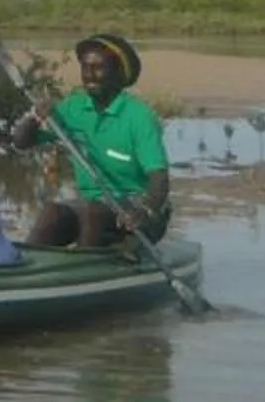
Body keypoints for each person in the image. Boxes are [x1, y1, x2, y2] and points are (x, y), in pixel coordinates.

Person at [14, 32, 169, 250]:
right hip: (92, 206)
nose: (89, 76)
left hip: (135, 210)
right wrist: (34, 117)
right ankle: (28, 267)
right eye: (85, 67)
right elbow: (21, 142)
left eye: (99, 68)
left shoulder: (139, 116)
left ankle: (85, 268)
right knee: (53, 212)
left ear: (118, 73)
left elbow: (159, 178)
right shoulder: (73, 107)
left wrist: (145, 211)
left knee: (91, 213)